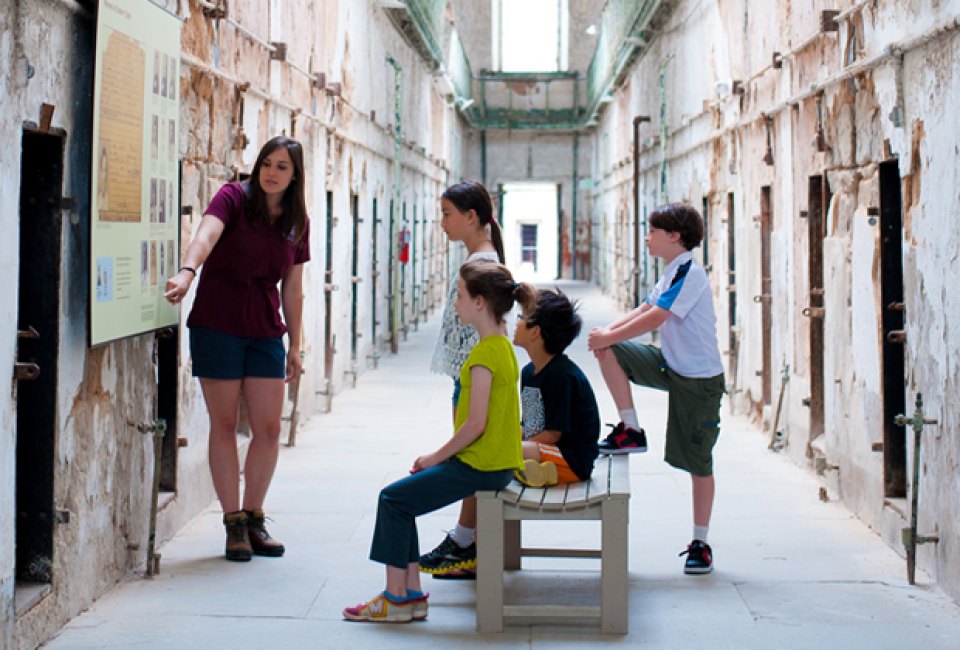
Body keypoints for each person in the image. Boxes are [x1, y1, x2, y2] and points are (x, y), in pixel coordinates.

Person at [343, 260, 534, 623]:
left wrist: (435, 457)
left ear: (480, 302)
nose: (455, 304)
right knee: (403, 500)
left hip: (481, 466)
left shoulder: (483, 356)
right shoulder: (504, 348)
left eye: (460, 296)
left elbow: (475, 424)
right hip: (494, 462)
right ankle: (410, 595)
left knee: (393, 499)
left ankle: (396, 598)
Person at [163, 136, 310, 562]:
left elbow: (294, 287)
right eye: (267, 163)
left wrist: (295, 345)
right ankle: (233, 524)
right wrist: (188, 270)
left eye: (282, 166)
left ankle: (255, 515)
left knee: (268, 428)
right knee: (224, 423)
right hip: (218, 324)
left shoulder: (298, 220)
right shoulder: (232, 197)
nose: (271, 172)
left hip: (265, 330)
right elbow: (206, 234)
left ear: (295, 175)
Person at [586, 203, 724, 575]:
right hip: (670, 365)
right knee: (608, 349)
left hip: (699, 380)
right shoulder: (672, 271)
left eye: (652, 232)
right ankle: (630, 429)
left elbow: (657, 317)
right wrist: (607, 334)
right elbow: (645, 305)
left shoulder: (691, 274)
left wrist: (610, 333)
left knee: (698, 463)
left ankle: (701, 542)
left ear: (674, 237)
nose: (646, 238)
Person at [418, 181, 505, 577]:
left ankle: (466, 544)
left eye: (447, 214)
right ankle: (465, 539)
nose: (442, 223)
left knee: (469, 460)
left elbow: (486, 334)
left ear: (472, 217)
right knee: (472, 460)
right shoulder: (482, 258)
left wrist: (472, 382)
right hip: (471, 377)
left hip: (474, 378)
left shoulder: (482, 265)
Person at [512, 288, 601, 488]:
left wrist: (514, 443)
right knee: (500, 447)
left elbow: (552, 435)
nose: (515, 323)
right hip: (543, 449)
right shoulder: (528, 372)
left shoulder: (561, 376)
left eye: (521, 317)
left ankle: (538, 469)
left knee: (506, 452)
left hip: (570, 460)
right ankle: (534, 470)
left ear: (535, 332)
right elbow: (531, 424)